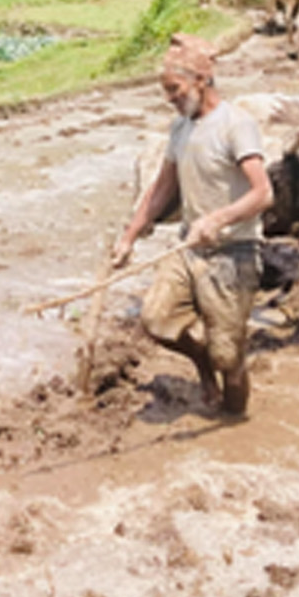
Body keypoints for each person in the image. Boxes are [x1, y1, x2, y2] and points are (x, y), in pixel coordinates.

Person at [113, 34, 272, 416]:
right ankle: (201, 364)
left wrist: (219, 218)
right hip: (189, 248)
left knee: (228, 358)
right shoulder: (180, 128)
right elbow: (163, 186)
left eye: (174, 89)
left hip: (233, 252)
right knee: (155, 319)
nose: (169, 98)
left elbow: (263, 193)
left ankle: (234, 425)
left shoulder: (237, 125)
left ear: (201, 81)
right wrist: (130, 236)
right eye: (166, 91)